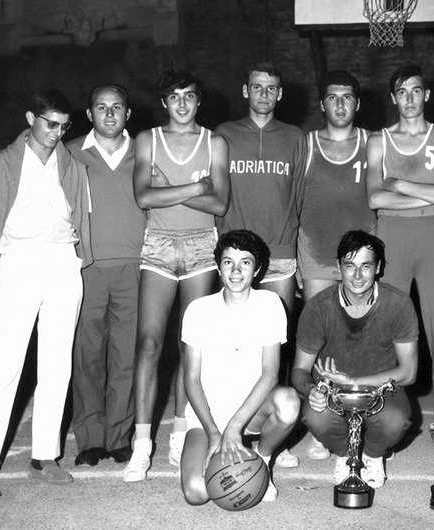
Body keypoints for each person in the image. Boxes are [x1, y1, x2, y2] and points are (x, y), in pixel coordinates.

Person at [0, 89, 91, 500]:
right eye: (49, 123)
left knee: (57, 363)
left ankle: (44, 456)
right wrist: (11, 265)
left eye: (63, 126)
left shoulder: (74, 167)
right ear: (31, 117)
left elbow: (81, 222)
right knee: (6, 365)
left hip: (63, 262)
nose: (56, 132)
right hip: (19, 260)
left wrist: (68, 262)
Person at [125, 71, 230, 482]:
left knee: (192, 347)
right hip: (159, 245)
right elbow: (143, 197)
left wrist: (174, 187)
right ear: (164, 102)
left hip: (204, 245)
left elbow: (219, 204)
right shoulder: (148, 139)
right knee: (149, 343)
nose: (182, 103)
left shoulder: (214, 142)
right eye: (174, 96)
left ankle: (180, 433)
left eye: (189, 96)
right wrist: (195, 185)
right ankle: (141, 445)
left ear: (199, 101)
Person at [365, 62, 434, 444]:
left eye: (416, 91)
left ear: (427, 94)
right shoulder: (379, 141)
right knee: (386, 333)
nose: (409, 99)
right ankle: (381, 429)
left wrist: (401, 184)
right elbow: (375, 198)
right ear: (394, 98)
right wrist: (429, 191)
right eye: (402, 92)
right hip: (391, 236)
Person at [215, 62, 308, 468]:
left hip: (281, 251)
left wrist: (298, 252)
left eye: (271, 88)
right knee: (226, 340)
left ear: (280, 93)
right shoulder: (224, 134)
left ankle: (277, 436)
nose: (264, 94)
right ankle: (216, 424)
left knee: (278, 344)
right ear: (245, 90)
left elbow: (300, 198)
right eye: (257, 87)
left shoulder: (294, 137)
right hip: (235, 255)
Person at [180, 230, 300, 505]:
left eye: (245, 262)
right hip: (208, 415)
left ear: (256, 269)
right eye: (228, 262)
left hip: (251, 410)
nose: (236, 271)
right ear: (218, 267)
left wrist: (235, 427)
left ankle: (263, 459)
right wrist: (213, 432)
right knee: (197, 493)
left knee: (289, 402)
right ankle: (210, 445)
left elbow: (270, 374)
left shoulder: (270, 304)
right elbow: (191, 380)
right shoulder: (198, 309)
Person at [291, 231, 418, 488]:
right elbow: (299, 370)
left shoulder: (398, 304)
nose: (357, 276)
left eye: (366, 266)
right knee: (315, 415)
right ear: (339, 267)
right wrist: (311, 390)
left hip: (381, 390)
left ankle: (373, 455)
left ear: (378, 267)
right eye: (350, 266)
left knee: (396, 421)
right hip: (333, 390)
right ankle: (345, 454)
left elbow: (409, 372)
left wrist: (354, 381)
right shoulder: (318, 307)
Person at [67, 84, 145, 468]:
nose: (110, 114)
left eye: (117, 107)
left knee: (126, 357)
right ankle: (90, 439)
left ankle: (118, 438)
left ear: (128, 113)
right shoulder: (70, 153)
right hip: (88, 267)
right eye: (101, 107)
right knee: (87, 358)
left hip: (135, 265)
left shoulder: (145, 151)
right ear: (89, 114)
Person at [298, 69, 375, 303]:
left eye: (347, 97)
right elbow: (292, 206)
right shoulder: (305, 144)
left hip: (362, 257)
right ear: (322, 105)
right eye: (332, 98)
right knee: (322, 333)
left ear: (358, 104)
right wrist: (296, 265)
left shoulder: (374, 142)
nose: (340, 104)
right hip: (316, 258)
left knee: (361, 332)